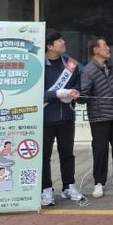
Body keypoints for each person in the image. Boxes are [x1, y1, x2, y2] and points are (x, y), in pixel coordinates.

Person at [80, 37, 113, 199]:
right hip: (99, 117)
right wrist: (78, 96)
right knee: (100, 150)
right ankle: (99, 183)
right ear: (95, 50)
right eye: (105, 46)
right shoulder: (88, 70)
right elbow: (84, 94)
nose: (108, 48)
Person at [42, 29, 83, 206]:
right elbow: (34, 92)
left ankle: (69, 186)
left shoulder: (71, 64)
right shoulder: (38, 66)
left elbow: (79, 84)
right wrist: (57, 93)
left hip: (66, 116)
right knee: (44, 156)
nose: (63, 42)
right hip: (45, 119)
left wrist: (75, 92)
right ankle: (46, 189)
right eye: (59, 40)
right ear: (49, 46)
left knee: (67, 154)